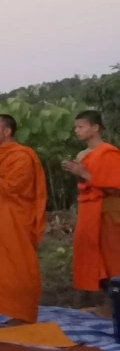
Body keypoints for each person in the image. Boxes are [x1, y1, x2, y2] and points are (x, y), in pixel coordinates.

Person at [0, 114, 48, 323]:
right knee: (2, 268)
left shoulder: (22, 156)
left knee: (19, 267)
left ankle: (24, 315)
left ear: (7, 131)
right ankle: (13, 312)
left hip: (16, 220)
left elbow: (11, 189)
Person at [62, 110, 120, 297]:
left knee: (112, 258)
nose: (77, 131)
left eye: (81, 126)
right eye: (75, 127)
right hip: (89, 213)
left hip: (108, 212)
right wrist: (80, 173)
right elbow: (85, 186)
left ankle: (114, 307)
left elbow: (115, 188)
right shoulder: (83, 155)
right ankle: (107, 304)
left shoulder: (108, 153)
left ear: (95, 128)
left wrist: (85, 174)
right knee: (94, 258)